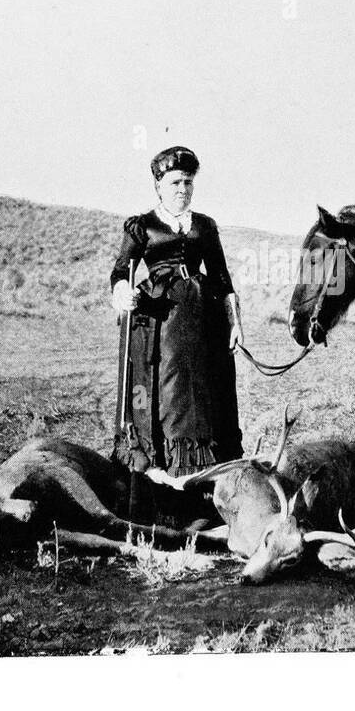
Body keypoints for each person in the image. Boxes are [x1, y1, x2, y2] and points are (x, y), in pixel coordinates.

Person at [110, 145, 244, 475]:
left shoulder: (206, 226)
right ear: (158, 186)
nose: (182, 189)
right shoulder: (141, 226)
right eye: (175, 183)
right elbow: (120, 270)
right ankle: (163, 464)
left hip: (204, 319)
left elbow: (223, 278)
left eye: (187, 182)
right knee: (166, 387)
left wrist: (235, 323)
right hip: (159, 320)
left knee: (207, 387)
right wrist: (122, 290)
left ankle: (210, 467)